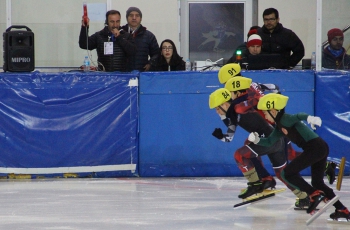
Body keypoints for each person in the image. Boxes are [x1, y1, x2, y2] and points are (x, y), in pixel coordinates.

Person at [247, 93, 350, 219]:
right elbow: (269, 141)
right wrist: (257, 140)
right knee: (317, 182)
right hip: (320, 147)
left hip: (315, 148)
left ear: (273, 110)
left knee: (287, 173)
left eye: (266, 113)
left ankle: (314, 194)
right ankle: (342, 209)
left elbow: (298, 116)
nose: (265, 116)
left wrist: (309, 118)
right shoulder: (279, 126)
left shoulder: (285, 118)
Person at [209, 77, 308, 205]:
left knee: (239, 155)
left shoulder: (238, 108)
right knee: (282, 174)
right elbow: (229, 136)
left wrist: (255, 93)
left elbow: (252, 102)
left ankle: (255, 184)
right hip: (275, 140)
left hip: (269, 139)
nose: (217, 112)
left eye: (218, 108)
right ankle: (305, 197)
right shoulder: (234, 114)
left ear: (225, 104)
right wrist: (220, 136)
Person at [121, 7, 159, 71]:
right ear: (127, 18)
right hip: (123, 74)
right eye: (131, 15)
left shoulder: (149, 36)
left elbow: (157, 53)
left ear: (141, 19)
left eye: (137, 15)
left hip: (142, 73)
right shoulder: (120, 34)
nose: (134, 18)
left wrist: (151, 63)